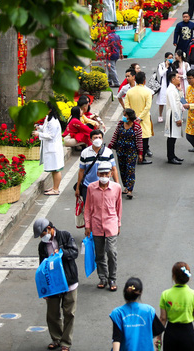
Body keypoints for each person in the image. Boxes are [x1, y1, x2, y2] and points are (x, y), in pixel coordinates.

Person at [33, 218, 78, 351]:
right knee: (52, 314)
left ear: (50, 228)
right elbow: (42, 266)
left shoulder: (65, 236)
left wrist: (62, 253)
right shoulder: (42, 246)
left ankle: (66, 343)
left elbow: (74, 252)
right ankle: (56, 338)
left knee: (69, 313)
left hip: (69, 281)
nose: (43, 237)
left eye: (43, 234)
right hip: (53, 284)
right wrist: (44, 289)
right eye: (41, 236)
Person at [84, 161, 122, 291]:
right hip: (96, 225)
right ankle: (103, 278)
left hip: (111, 224)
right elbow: (88, 207)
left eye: (107, 173)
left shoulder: (117, 188)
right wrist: (87, 225)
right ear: (97, 174)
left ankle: (112, 278)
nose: (104, 176)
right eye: (102, 173)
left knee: (111, 252)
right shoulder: (91, 188)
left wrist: (119, 224)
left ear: (111, 174)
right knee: (99, 254)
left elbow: (119, 207)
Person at [109, 277, 165, 351]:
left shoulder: (118, 313)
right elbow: (158, 330)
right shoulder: (149, 310)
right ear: (140, 293)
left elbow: (116, 338)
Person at [159, 262, 194, 351]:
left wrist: (159, 337)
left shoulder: (165, 294)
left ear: (174, 276)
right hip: (188, 333)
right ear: (188, 277)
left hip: (171, 333)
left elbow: (163, 318)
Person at [108, 108, 144, 199]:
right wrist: (109, 147)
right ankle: (126, 186)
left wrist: (140, 153)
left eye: (125, 115)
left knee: (130, 170)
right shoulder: (120, 125)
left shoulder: (136, 127)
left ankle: (130, 189)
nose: (124, 117)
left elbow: (139, 141)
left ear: (129, 117)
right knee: (122, 169)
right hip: (120, 151)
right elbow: (115, 136)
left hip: (131, 151)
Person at [76, 129, 118, 203]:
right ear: (90, 140)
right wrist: (78, 188)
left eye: (100, 137)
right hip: (88, 186)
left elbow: (113, 169)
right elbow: (81, 171)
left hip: (104, 186)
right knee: (88, 209)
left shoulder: (108, 152)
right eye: (95, 138)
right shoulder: (85, 153)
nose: (98, 139)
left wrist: (117, 185)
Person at [36, 102, 65, 195]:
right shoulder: (48, 119)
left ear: (50, 110)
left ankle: (56, 189)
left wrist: (38, 134)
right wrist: (39, 127)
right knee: (53, 169)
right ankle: (54, 187)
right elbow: (46, 129)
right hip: (50, 148)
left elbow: (50, 135)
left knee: (56, 169)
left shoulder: (53, 122)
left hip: (53, 149)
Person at [124, 72, 153, 164]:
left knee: (133, 138)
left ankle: (132, 156)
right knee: (144, 139)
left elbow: (126, 106)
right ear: (144, 80)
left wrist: (133, 117)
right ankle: (142, 158)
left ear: (135, 79)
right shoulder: (147, 92)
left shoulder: (129, 91)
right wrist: (140, 118)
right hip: (143, 119)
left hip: (132, 120)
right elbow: (147, 107)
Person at [164, 71, 185, 165]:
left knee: (174, 137)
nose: (179, 78)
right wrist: (177, 119)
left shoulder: (175, 89)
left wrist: (180, 90)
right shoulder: (171, 90)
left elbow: (181, 100)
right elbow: (173, 105)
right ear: (173, 79)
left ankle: (173, 155)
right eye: (177, 77)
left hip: (177, 113)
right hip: (173, 114)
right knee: (171, 137)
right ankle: (170, 157)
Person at [155, 52, 175, 123]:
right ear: (165, 58)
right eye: (169, 58)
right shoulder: (161, 65)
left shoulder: (173, 65)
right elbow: (161, 74)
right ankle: (160, 115)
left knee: (172, 100)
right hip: (163, 85)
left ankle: (172, 115)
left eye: (172, 58)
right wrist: (166, 67)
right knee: (162, 101)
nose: (171, 59)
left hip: (171, 85)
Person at [101, 23, 122, 88]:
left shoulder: (108, 36)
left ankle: (116, 82)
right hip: (116, 54)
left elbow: (106, 46)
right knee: (111, 67)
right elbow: (120, 45)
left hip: (110, 55)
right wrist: (121, 53)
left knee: (111, 68)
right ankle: (109, 80)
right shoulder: (117, 36)